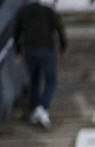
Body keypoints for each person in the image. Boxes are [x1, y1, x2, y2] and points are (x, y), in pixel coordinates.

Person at [15, 0, 66, 129]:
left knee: (34, 81)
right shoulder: (48, 11)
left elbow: (16, 33)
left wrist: (18, 52)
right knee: (51, 81)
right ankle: (42, 107)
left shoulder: (23, 12)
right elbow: (59, 28)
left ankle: (34, 111)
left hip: (29, 50)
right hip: (46, 49)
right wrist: (63, 47)